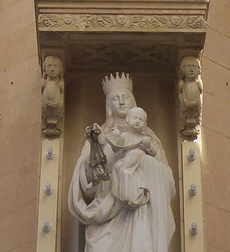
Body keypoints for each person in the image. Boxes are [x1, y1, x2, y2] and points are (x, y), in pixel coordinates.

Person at [68, 74, 175, 252]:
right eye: (115, 98)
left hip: (138, 208)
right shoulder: (100, 136)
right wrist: (96, 147)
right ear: (109, 105)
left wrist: (144, 165)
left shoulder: (148, 138)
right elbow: (87, 180)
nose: (121, 102)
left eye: (125, 97)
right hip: (106, 205)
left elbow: (166, 179)